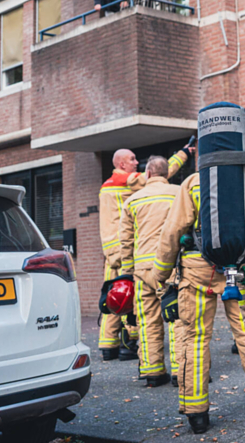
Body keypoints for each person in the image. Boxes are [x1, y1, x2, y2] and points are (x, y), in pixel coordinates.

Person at [143, 172, 245, 434]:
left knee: (195, 340)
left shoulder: (194, 181)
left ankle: (197, 414)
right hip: (238, 268)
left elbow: (173, 231)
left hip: (197, 271)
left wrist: (159, 276)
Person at [118, 156, 179, 386]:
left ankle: (152, 372)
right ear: (166, 174)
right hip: (172, 267)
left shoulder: (132, 200)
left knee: (147, 321)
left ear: (148, 174)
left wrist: (127, 272)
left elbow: (125, 240)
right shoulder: (178, 194)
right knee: (177, 319)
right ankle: (180, 371)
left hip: (143, 270)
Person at [98, 149, 141, 361]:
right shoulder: (126, 180)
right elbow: (158, 175)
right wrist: (183, 154)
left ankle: (108, 346)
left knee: (112, 295)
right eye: (132, 159)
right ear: (122, 164)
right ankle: (129, 342)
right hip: (124, 249)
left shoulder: (107, 184)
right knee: (128, 293)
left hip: (110, 249)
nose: (137, 162)